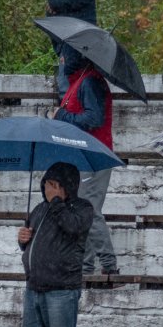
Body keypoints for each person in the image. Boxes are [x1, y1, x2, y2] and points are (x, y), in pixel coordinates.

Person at [14, 161, 94, 327]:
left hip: (62, 290)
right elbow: (32, 245)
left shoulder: (82, 209)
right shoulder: (39, 209)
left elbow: (73, 227)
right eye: (47, 183)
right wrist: (22, 239)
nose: (48, 189)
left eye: (54, 184)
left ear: (67, 186)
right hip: (34, 288)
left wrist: (57, 203)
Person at [52, 50, 118, 274]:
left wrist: (61, 116)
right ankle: (86, 263)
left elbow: (93, 118)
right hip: (84, 154)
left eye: (64, 56)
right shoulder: (79, 80)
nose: (61, 61)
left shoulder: (89, 82)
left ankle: (108, 263)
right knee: (82, 207)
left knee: (89, 208)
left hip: (95, 155)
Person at [45, 0, 97, 94]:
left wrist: (54, 2)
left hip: (74, 38)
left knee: (67, 86)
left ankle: (66, 117)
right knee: (67, 83)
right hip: (69, 38)